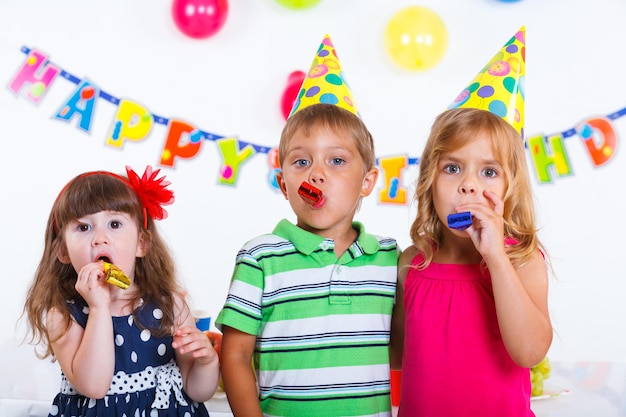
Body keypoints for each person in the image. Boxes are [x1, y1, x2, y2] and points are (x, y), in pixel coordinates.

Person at [216, 34, 399, 417]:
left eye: (336, 161)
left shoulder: (388, 258)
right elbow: (234, 355)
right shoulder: (260, 258)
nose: (316, 174)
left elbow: (405, 350)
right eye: (301, 162)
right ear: (283, 183)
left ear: (368, 180)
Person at [389, 27, 553, 417]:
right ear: (429, 180)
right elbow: (394, 357)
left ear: (511, 186)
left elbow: (529, 352)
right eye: (452, 168)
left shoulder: (522, 260)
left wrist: (495, 256)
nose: (468, 186)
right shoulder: (410, 262)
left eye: (489, 172)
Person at [22, 166, 220, 417]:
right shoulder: (63, 315)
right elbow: (94, 386)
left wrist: (207, 362)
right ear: (62, 250)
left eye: (114, 224)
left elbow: (196, 391)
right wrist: (98, 307)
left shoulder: (171, 306)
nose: (100, 239)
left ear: (141, 244)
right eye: (83, 228)